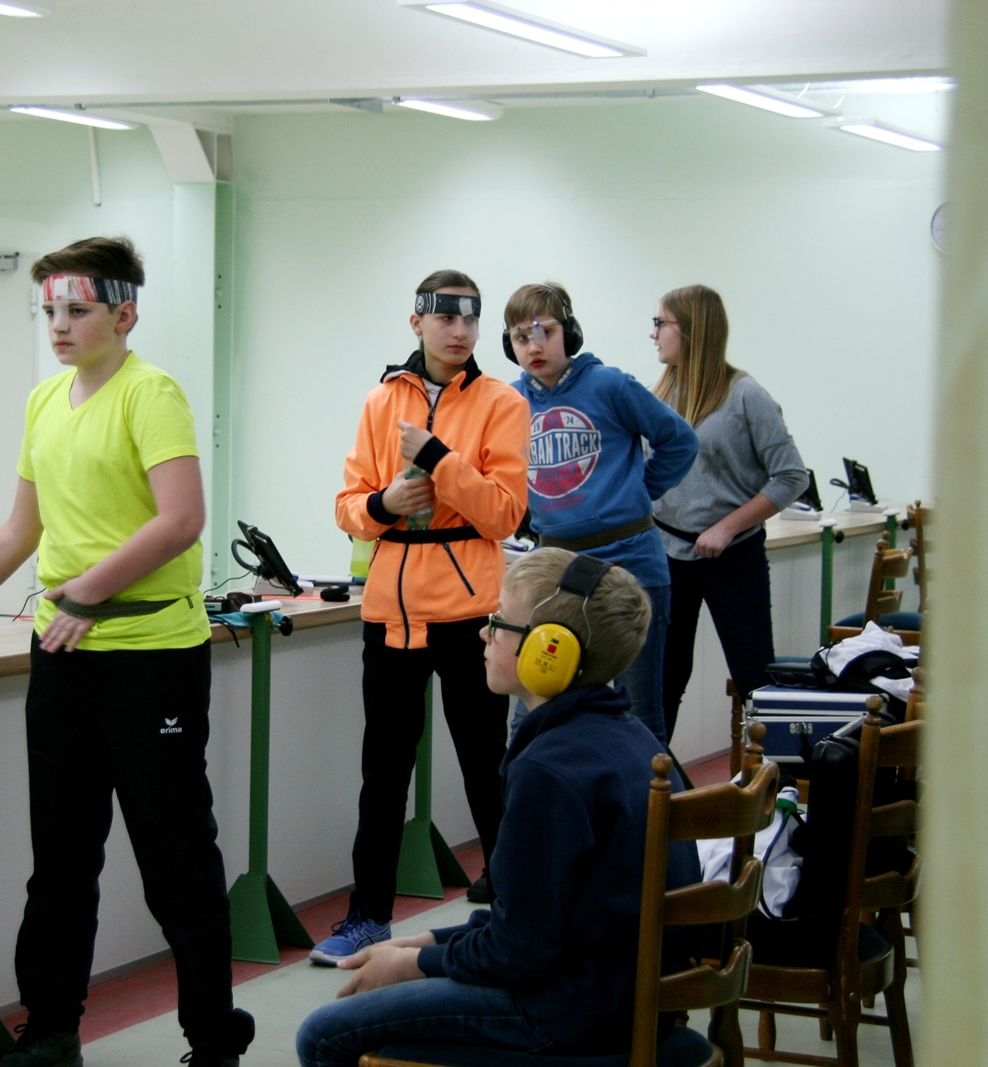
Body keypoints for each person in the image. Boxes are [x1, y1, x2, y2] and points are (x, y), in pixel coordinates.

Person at [0, 237, 253, 1067]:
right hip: (65, 653)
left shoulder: (151, 394)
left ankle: (213, 1037)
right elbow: (21, 528)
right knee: (59, 858)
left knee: (175, 858)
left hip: (150, 655)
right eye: (49, 310)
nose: (58, 325)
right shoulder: (45, 401)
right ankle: (52, 1029)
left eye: (77, 310)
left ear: (125, 315)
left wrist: (87, 590)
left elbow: (181, 519)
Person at [294, 548, 701, 1067]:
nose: (483, 635)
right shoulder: (630, 739)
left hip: (567, 1012)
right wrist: (424, 941)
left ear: (551, 651)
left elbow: (519, 952)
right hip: (621, 1000)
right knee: (388, 1035)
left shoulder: (549, 770)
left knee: (323, 1035)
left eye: (499, 622)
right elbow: (533, 919)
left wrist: (414, 965)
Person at [320, 270, 530, 959]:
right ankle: (366, 916)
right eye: (445, 317)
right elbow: (348, 503)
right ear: (417, 322)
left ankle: (517, 912)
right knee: (382, 772)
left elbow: (505, 513)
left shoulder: (502, 403)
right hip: (390, 614)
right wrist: (383, 506)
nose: (459, 331)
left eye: (470, 319)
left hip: (472, 615)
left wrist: (439, 460)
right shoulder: (381, 400)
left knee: (486, 766)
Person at [505, 283, 698, 744]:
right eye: (520, 337)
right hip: (556, 570)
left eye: (545, 333)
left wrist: (637, 491)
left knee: (641, 714)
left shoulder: (611, 385)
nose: (533, 347)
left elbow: (680, 442)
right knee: (530, 713)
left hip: (632, 563)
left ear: (569, 334)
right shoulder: (510, 402)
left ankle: (644, 794)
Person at [649, 285, 808, 743]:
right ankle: (651, 782)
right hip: (666, 555)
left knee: (754, 675)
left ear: (692, 330)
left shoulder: (745, 396)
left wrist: (726, 527)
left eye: (660, 323)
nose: (653, 334)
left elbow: (792, 476)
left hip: (733, 555)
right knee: (663, 681)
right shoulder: (658, 394)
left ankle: (772, 779)